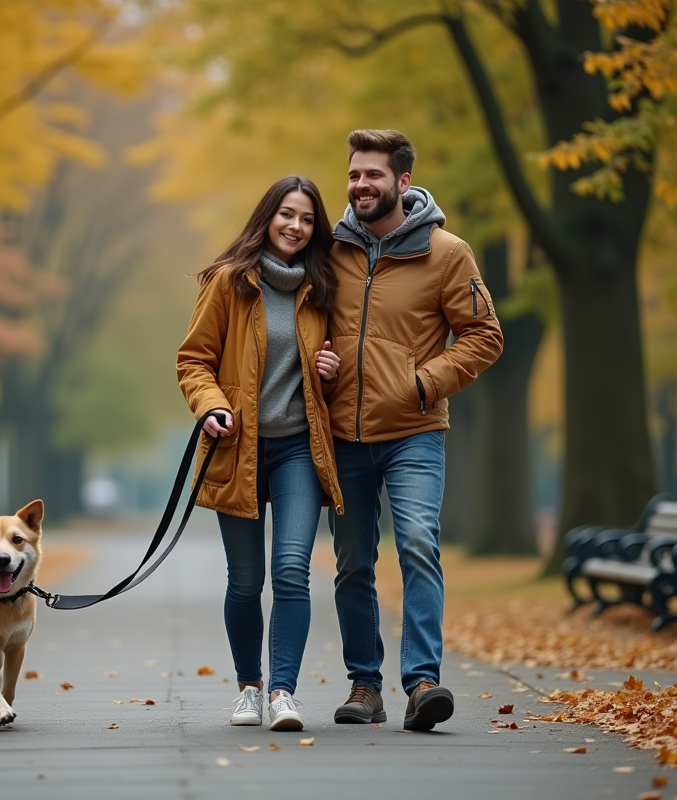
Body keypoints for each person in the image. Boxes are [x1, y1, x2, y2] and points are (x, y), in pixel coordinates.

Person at [325, 129, 503, 731]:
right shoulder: (328, 252)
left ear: (402, 182)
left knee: (419, 544)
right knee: (352, 563)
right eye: (353, 175)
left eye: (372, 175)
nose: (360, 185)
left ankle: (423, 681)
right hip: (342, 439)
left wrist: (424, 383)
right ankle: (365, 686)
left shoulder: (448, 252)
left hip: (414, 433)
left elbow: (485, 335)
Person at [177, 176, 344, 732]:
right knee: (246, 581)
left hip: (299, 447)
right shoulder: (229, 283)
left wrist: (332, 370)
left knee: (293, 571)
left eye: (307, 219)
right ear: (268, 216)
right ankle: (248, 687)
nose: (296, 227)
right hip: (237, 448)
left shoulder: (322, 286)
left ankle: (282, 693)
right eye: (287, 215)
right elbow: (194, 361)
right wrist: (211, 406)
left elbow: (339, 361)